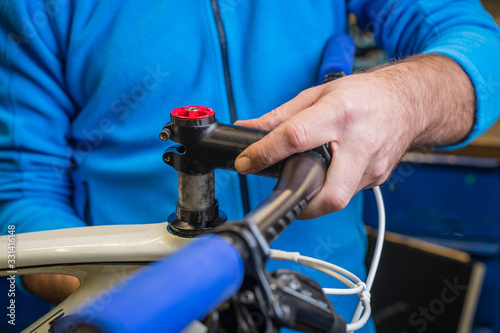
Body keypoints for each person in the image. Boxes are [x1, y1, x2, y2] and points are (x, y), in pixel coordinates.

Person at [1, 0, 499, 332]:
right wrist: (123, 298)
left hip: (331, 313)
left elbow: (482, 48)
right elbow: (22, 195)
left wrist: (407, 95)